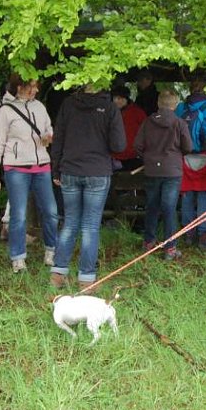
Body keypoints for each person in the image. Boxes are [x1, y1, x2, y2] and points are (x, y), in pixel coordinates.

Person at [50, 85, 126, 290]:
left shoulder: (68, 104)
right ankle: (86, 279)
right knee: (90, 226)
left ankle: (58, 274)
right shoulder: (110, 108)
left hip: (70, 169)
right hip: (97, 171)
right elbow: (119, 145)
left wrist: (55, 170)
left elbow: (57, 139)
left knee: (70, 222)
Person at [0, 74, 57, 273]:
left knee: (51, 212)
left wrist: (48, 136)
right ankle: (18, 258)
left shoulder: (40, 107)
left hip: (42, 165)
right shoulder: (5, 111)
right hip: (16, 168)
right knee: (18, 215)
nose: (35, 90)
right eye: (31, 87)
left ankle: (51, 251)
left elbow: (48, 128)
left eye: (36, 87)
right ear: (19, 87)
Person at [134, 89, 193, 260]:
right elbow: (188, 147)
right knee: (169, 208)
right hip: (172, 170)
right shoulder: (179, 123)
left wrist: (147, 157)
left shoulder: (147, 122)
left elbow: (137, 146)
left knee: (152, 206)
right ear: (175, 105)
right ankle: (170, 248)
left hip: (152, 170)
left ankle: (149, 242)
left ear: (158, 104)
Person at [175, 76, 206, 249]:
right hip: (204, 157)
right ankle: (204, 234)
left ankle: (188, 233)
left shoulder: (180, 108)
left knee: (186, 196)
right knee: (204, 198)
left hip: (185, 157)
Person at [111, 85, 148, 171]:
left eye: (119, 98)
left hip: (133, 156)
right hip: (114, 156)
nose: (116, 101)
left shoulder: (137, 112)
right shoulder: (110, 113)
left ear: (126, 98)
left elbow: (147, 132)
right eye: (114, 98)